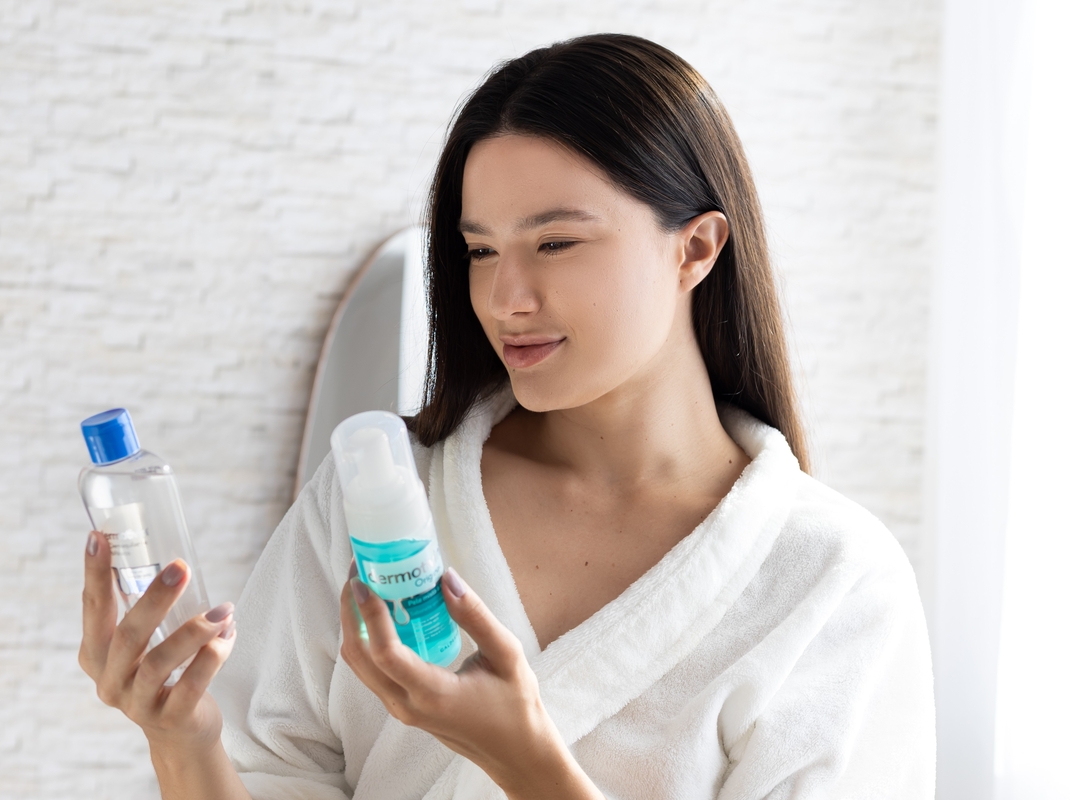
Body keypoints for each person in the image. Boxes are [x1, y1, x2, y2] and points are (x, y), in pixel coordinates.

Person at [79, 33, 935, 800]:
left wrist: (525, 764)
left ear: (696, 247)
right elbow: (270, 771)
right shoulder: (381, 497)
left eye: (555, 242)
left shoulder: (830, 580)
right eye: (481, 250)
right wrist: (184, 741)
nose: (503, 298)